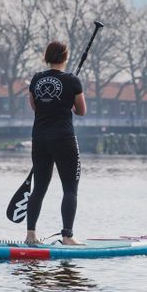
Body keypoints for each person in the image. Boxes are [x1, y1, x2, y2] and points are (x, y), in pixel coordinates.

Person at [25, 40, 86, 246]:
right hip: (64, 139)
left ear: (47, 57)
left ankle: (30, 236)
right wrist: (67, 105)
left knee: (39, 188)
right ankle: (67, 236)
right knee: (70, 189)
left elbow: (34, 106)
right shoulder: (72, 80)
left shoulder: (36, 79)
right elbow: (81, 111)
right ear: (65, 57)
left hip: (40, 139)